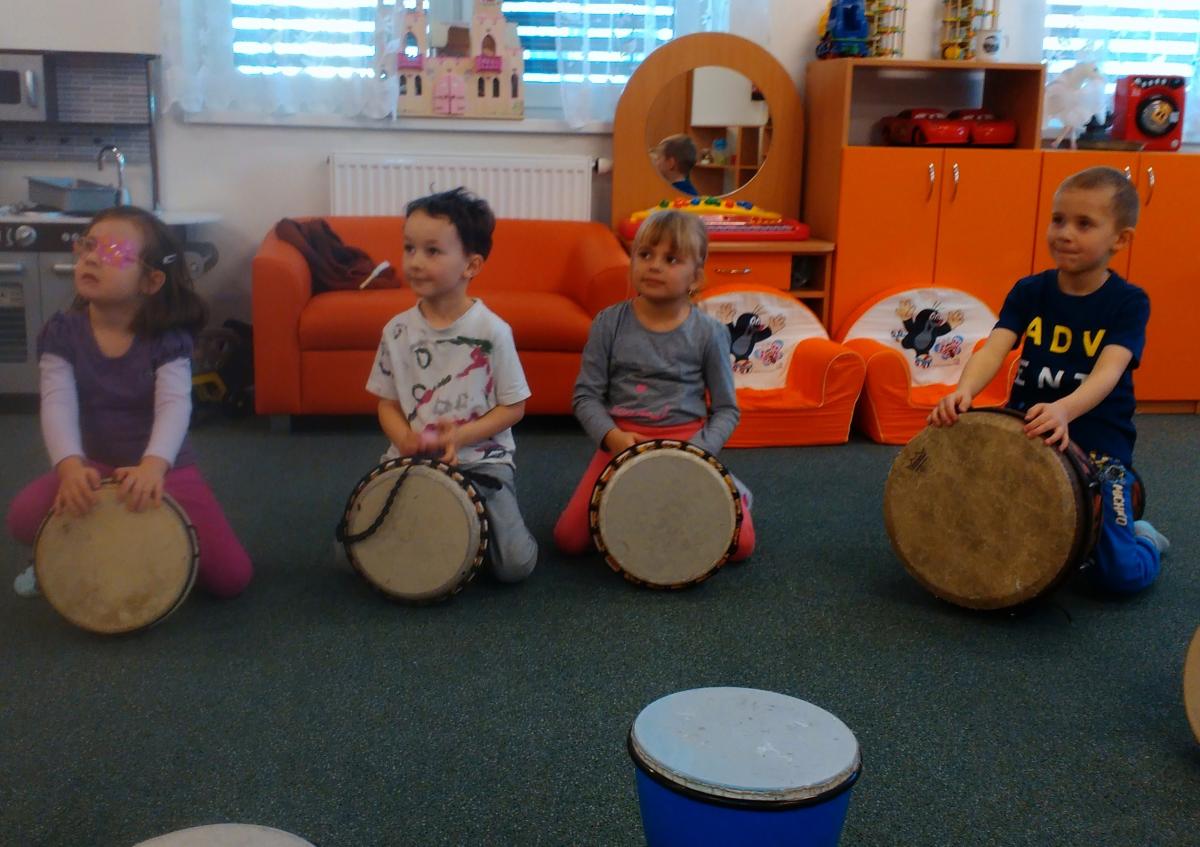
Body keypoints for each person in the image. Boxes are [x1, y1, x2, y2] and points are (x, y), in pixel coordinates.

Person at [929, 166, 1168, 594]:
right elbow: (994, 349)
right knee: (986, 537)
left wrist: (1064, 410)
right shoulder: (1030, 291)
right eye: (1058, 220)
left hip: (1097, 449)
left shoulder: (1128, 303)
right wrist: (964, 390)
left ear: (1120, 239)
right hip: (1028, 437)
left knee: (1119, 577)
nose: (1064, 233)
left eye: (1084, 224)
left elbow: (1108, 373)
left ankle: (1143, 536)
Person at [7, 206, 253, 598]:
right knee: (22, 517)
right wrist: (70, 468)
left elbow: (174, 405)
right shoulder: (62, 332)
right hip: (92, 465)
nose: (92, 258)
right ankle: (70, 553)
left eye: (112, 252)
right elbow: (57, 403)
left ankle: (144, 549)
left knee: (231, 578)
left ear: (151, 280)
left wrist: (153, 467)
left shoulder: (167, 339)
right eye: (88, 245)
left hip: (163, 467)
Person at [553, 209, 755, 560]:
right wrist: (612, 438)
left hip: (686, 442)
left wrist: (698, 452)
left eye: (671, 259)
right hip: (622, 441)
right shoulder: (608, 323)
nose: (654, 266)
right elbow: (586, 396)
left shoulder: (709, 333)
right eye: (645, 255)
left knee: (741, 547)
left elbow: (726, 410)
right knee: (569, 540)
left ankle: (736, 491)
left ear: (696, 276)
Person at [366, 187, 537, 582]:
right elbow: (387, 403)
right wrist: (404, 439)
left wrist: (459, 437)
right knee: (352, 556)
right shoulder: (396, 331)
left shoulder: (493, 332)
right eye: (409, 248)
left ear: (471, 265)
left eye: (432, 251)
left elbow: (514, 407)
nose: (415, 261)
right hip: (411, 460)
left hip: (481, 462)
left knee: (513, 567)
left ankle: (476, 533)